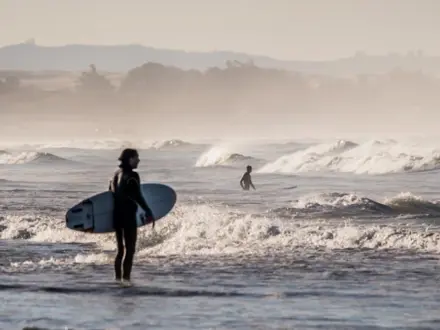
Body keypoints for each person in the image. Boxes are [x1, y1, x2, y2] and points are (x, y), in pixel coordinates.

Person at [109, 148, 155, 285]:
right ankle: (127, 280)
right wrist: (148, 212)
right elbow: (138, 196)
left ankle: (117, 280)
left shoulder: (115, 175)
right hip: (128, 216)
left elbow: (110, 195)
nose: (139, 160)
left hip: (116, 216)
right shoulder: (133, 175)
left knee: (120, 251)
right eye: (136, 157)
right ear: (130, 159)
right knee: (130, 250)